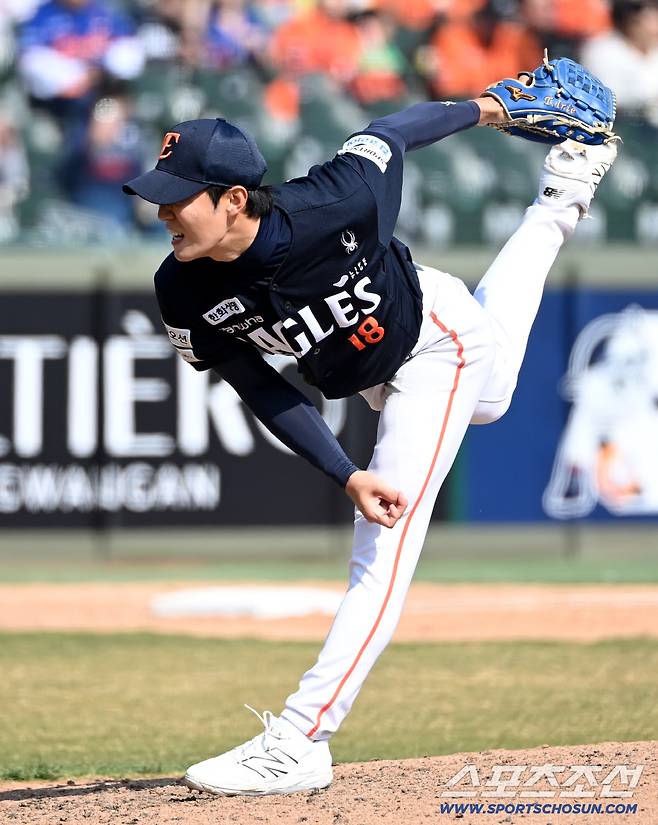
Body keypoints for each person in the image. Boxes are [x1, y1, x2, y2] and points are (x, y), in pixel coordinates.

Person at [123, 83, 617, 796]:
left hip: (430, 341)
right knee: (493, 399)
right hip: (375, 368)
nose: (162, 210)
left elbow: (391, 130)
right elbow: (260, 385)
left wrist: (497, 106)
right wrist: (343, 469)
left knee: (382, 545)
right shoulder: (182, 288)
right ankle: (563, 195)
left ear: (234, 199)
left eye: (179, 196)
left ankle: (301, 736)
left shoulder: (334, 202)